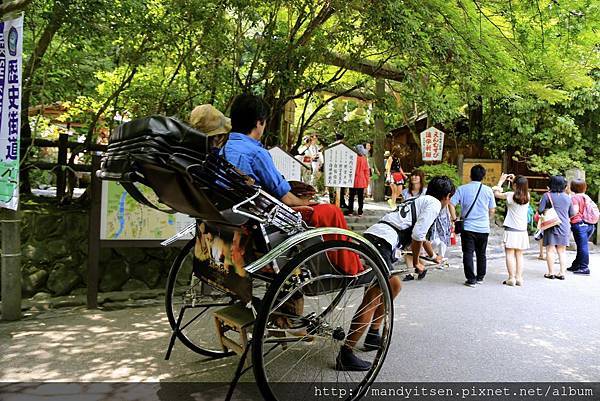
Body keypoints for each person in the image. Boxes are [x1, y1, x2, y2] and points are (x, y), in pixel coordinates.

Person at [336, 176, 456, 371]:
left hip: (377, 237)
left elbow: (421, 235)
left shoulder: (422, 200)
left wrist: (434, 256)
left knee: (394, 285)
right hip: (382, 242)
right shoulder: (434, 204)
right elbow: (417, 235)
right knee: (373, 296)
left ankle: (373, 335)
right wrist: (416, 262)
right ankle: (346, 353)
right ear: (447, 197)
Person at [220, 94, 309, 207]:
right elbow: (287, 199)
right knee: (330, 211)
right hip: (254, 214)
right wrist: (306, 203)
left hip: (229, 209)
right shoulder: (256, 154)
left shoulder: (224, 148)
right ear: (259, 123)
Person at [449, 164, 496, 287]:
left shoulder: (462, 189)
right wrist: (487, 220)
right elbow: (492, 210)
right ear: (483, 176)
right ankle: (480, 277)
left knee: (468, 253)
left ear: (470, 175)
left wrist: (455, 219)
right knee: (481, 253)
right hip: (483, 227)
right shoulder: (488, 190)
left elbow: (451, 204)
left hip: (468, 227)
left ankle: (471, 279)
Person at [493, 174, 530, 286]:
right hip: (522, 230)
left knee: (509, 253)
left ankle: (511, 278)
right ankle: (519, 278)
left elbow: (496, 194)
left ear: (514, 185)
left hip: (511, 229)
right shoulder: (527, 196)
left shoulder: (510, 195)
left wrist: (501, 181)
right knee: (519, 254)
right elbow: (519, 187)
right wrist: (515, 180)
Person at [539, 176, 575, 280]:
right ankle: (562, 273)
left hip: (551, 225)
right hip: (564, 226)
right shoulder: (567, 197)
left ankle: (551, 273)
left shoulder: (547, 195)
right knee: (562, 251)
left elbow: (540, 210)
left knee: (550, 250)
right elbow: (572, 213)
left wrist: (547, 210)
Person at [567, 178, 595, 275]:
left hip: (579, 224)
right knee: (581, 245)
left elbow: (574, 211)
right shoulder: (586, 197)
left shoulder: (575, 198)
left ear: (572, 187)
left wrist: (567, 215)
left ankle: (584, 267)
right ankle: (576, 264)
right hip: (590, 224)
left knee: (582, 246)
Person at [345, 144, 370, 216]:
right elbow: (366, 171)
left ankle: (350, 211)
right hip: (361, 180)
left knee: (351, 196)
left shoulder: (352, 158)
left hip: (352, 180)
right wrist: (367, 181)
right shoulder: (364, 159)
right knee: (360, 197)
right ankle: (360, 211)